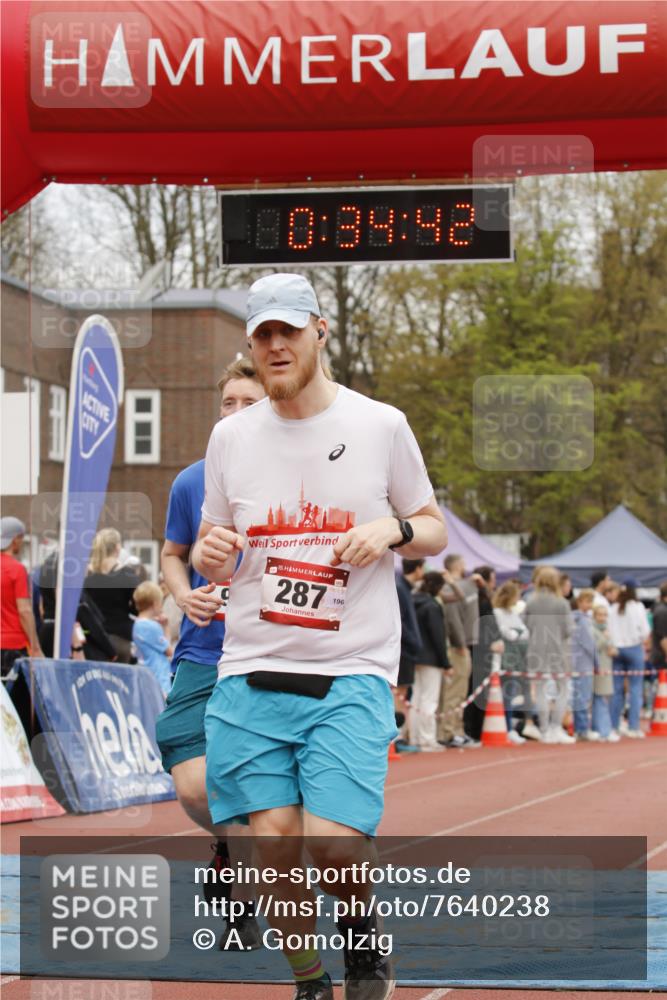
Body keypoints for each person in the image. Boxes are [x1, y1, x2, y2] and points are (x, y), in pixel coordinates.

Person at [192, 272, 447, 1000]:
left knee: (333, 846)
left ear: (318, 332)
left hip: (350, 668)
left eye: (288, 332)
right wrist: (212, 553)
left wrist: (392, 529)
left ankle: (361, 930)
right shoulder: (230, 436)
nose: (276, 346)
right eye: (262, 335)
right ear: (251, 344)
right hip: (252, 667)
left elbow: (432, 527)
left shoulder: (380, 424)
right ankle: (309, 981)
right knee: (272, 843)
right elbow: (214, 542)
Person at [156, 356, 265, 950]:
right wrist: (182, 596)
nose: (237, 413)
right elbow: (173, 553)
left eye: (250, 402)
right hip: (204, 651)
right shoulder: (191, 480)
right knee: (197, 787)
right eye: (229, 403)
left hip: (275, 653)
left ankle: (242, 903)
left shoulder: (302, 472)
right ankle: (228, 845)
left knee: (264, 792)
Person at [523, 566, 575, 744]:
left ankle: (545, 729)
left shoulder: (531, 601)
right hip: (558, 651)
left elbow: (525, 624)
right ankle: (555, 727)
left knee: (540, 691)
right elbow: (568, 630)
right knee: (563, 690)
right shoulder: (561, 603)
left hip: (536, 650)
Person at [84, 528, 141, 662]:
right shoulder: (127, 574)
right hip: (120, 638)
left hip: (93, 639)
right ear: (117, 547)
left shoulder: (87, 576)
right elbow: (138, 606)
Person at [409, 570, 449, 751]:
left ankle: (414, 737)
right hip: (431, 658)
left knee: (415, 698)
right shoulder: (432, 606)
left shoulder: (411, 601)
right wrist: (445, 662)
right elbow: (438, 636)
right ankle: (427, 739)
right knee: (429, 699)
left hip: (413, 656)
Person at [1, 517, 43, 681]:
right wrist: (36, 647)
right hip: (13, 646)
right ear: (15, 540)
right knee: (17, 695)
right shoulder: (17, 569)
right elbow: (25, 610)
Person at [608, 579, 651, 738]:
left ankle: (614, 725)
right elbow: (645, 630)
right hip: (634, 648)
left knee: (616, 689)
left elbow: (609, 629)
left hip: (616, 650)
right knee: (635, 688)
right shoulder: (637, 607)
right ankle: (633, 726)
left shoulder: (613, 608)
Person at [493, 580, 530, 744]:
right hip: (504, 661)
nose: (518, 598)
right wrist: (516, 633)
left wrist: (516, 633)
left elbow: (525, 632)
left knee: (511, 694)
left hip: (516, 660)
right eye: (516, 595)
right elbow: (507, 633)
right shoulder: (497, 613)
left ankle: (509, 728)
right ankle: (505, 728)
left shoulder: (513, 613)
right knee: (504, 695)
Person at [393, 558, 423, 752]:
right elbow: (399, 621)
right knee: (399, 693)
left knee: (402, 693)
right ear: (418, 568)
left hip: (406, 649)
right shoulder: (400, 588)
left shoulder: (404, 587)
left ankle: (399, 736)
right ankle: (396, 738)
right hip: (403, 650)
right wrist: (413, 642)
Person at [132, 581, 173, 696]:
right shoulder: (151, 626)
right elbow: (169, 651)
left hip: (147, 676)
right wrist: (166, 627)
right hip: (159, 677)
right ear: (155, 604)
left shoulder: (137, 624)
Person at [570, 589, 600, 741]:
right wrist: (597, 662)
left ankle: (578, 728)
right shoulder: (582, 621)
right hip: (584, 664)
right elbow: (589, 644)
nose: (590, 605)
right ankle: (582, 729)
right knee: (583, 698)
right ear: (579, 602)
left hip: (574, 663)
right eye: (587, 601)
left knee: (577, 698)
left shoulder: (572, 618)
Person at [591, 604, 619, 741]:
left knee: (601, 699)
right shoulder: (592, 630)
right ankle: (604, 731)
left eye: (604, 615)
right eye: (599, 615)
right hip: (597, 668)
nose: (602, 618)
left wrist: (614, 651)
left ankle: (599, 729)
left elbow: (612, 647)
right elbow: (593, 647)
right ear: (594, 616)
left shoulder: (606, 629)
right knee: (600, 699)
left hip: (607, 667)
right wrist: (604, 638)